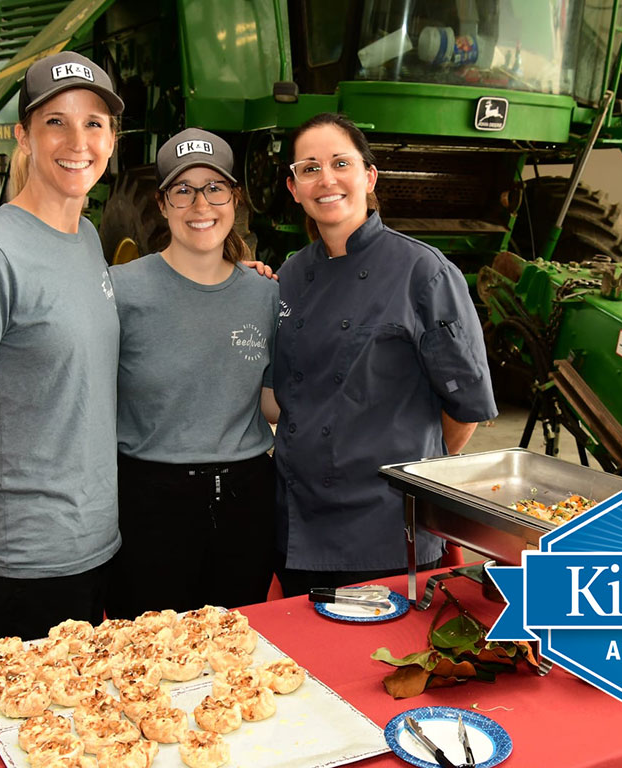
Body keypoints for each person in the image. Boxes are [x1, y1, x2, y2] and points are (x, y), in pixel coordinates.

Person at [0, 52, 124, 640]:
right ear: (24, 136)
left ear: (113, 138)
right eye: (55, 121)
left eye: (94, 123)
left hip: (94, 544)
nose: (77, 140)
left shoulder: (87, 236)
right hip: (23, 560)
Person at [273, 112, 498, 596]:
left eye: (340, 163)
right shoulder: (290, 275)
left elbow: (463, 408)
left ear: (369, 176)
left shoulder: (424, 272)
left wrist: (411, 476)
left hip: (385, 528)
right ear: (293, 187)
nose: (326, 179)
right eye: (309, 168)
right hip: (297, 521)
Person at [104, 129, 280, 618]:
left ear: (235, 199)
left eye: (214, 188)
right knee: (145, 655)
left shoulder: (265, 294)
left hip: (246, 500)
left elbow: (272, 401)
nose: (199, 203)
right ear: (162, 205)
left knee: (235, 654)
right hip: (148, 502)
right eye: (182, 190)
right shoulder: (120, 290)